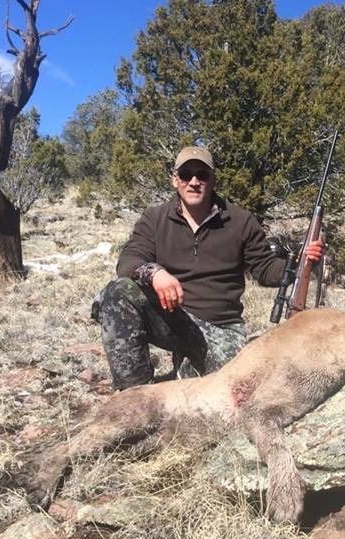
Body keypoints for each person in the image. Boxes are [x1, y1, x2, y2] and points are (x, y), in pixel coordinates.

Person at [95, 145, 324, 390]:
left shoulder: (241, 221)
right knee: (117, 292)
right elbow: (129, 259)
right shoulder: (154, 219)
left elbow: (265, 268)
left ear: (213, 180)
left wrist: (301, 263)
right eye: (186, 175)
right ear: (175, 180)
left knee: (237, 390)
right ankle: (134, 393)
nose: (194, 182)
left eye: (202, 175)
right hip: (173, 318)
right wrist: (155, 273)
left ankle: (189, 367)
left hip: (221, 329)